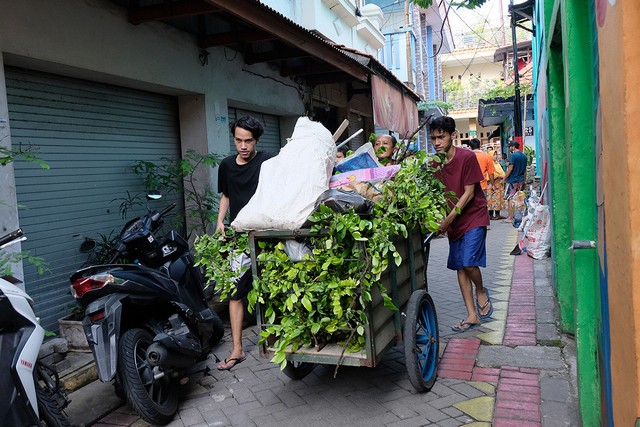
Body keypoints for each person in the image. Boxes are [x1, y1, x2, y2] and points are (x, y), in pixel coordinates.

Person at [216, 115, 275, 370]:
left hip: (267, 235)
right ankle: (237, 349)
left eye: (248, 141)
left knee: (274, 287)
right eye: (238, 140)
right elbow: (226, 196)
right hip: (238, 237)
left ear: (257, 140)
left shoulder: (269, 160)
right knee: (235, 292)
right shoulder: (227, 165)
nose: (243, 146)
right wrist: (220, 221)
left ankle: (281, 338)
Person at [429, 116, 493, 333]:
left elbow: (469, 193)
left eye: (441, 137)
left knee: (468, 262)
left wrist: (446, 221)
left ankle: (481, 290)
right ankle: (472, 315)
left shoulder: (466, 157)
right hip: (453, 222)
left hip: (473, 215)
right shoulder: (434, 164)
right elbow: (436, 195)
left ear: (453, 136)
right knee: (460, 266)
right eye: (434, 138)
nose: (437, 142)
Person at [503, 141, 528, 222]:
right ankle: (519, 216)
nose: (509, 148)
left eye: (509, 147)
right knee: (519, 198)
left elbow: (510, 168)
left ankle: (510, 217)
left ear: (513, 146)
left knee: (511, 198)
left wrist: (504, 178)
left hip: (513, 180)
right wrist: (524, 179)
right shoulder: (524, 156)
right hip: (520, 180)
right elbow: (524, 170)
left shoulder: (513, 156)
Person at [487, 149, 506, 220]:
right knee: (491, 200)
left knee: (498, 199)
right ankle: (490, 215)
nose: (495, 156)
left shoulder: (497, 163)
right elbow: (492, 174)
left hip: (499, 184)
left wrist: (503, 176)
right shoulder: (489, 163)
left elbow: (502, 172)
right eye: (494, 155)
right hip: (492, 184)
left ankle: (498, 214)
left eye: (496, 154)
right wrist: (501, 176)